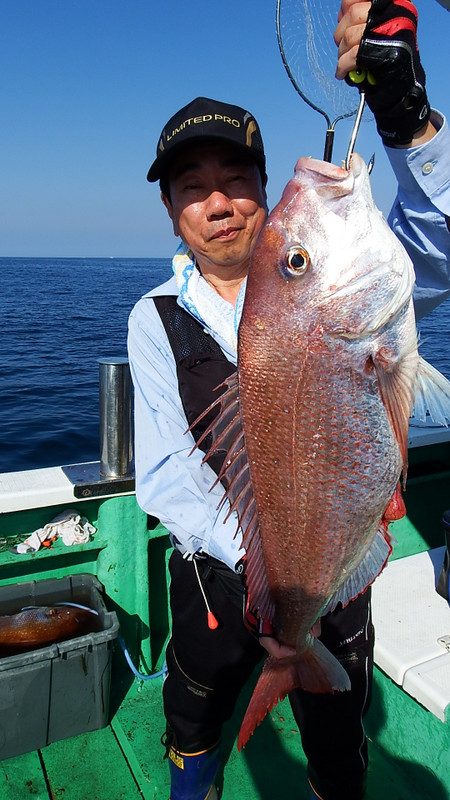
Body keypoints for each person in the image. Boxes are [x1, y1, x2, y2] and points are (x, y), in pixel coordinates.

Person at [128, 2, 450, 798]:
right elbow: (166, 472)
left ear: (264, 191)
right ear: (172, 209)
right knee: (194, 713)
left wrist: (408, 123)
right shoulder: (154, 319)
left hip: (335, 570)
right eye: (194, 187)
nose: (220, 202)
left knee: (339, 741)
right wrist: (266, 568)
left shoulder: (355, 283)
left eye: (238, 180)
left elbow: (438, 241)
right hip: (217, 575)